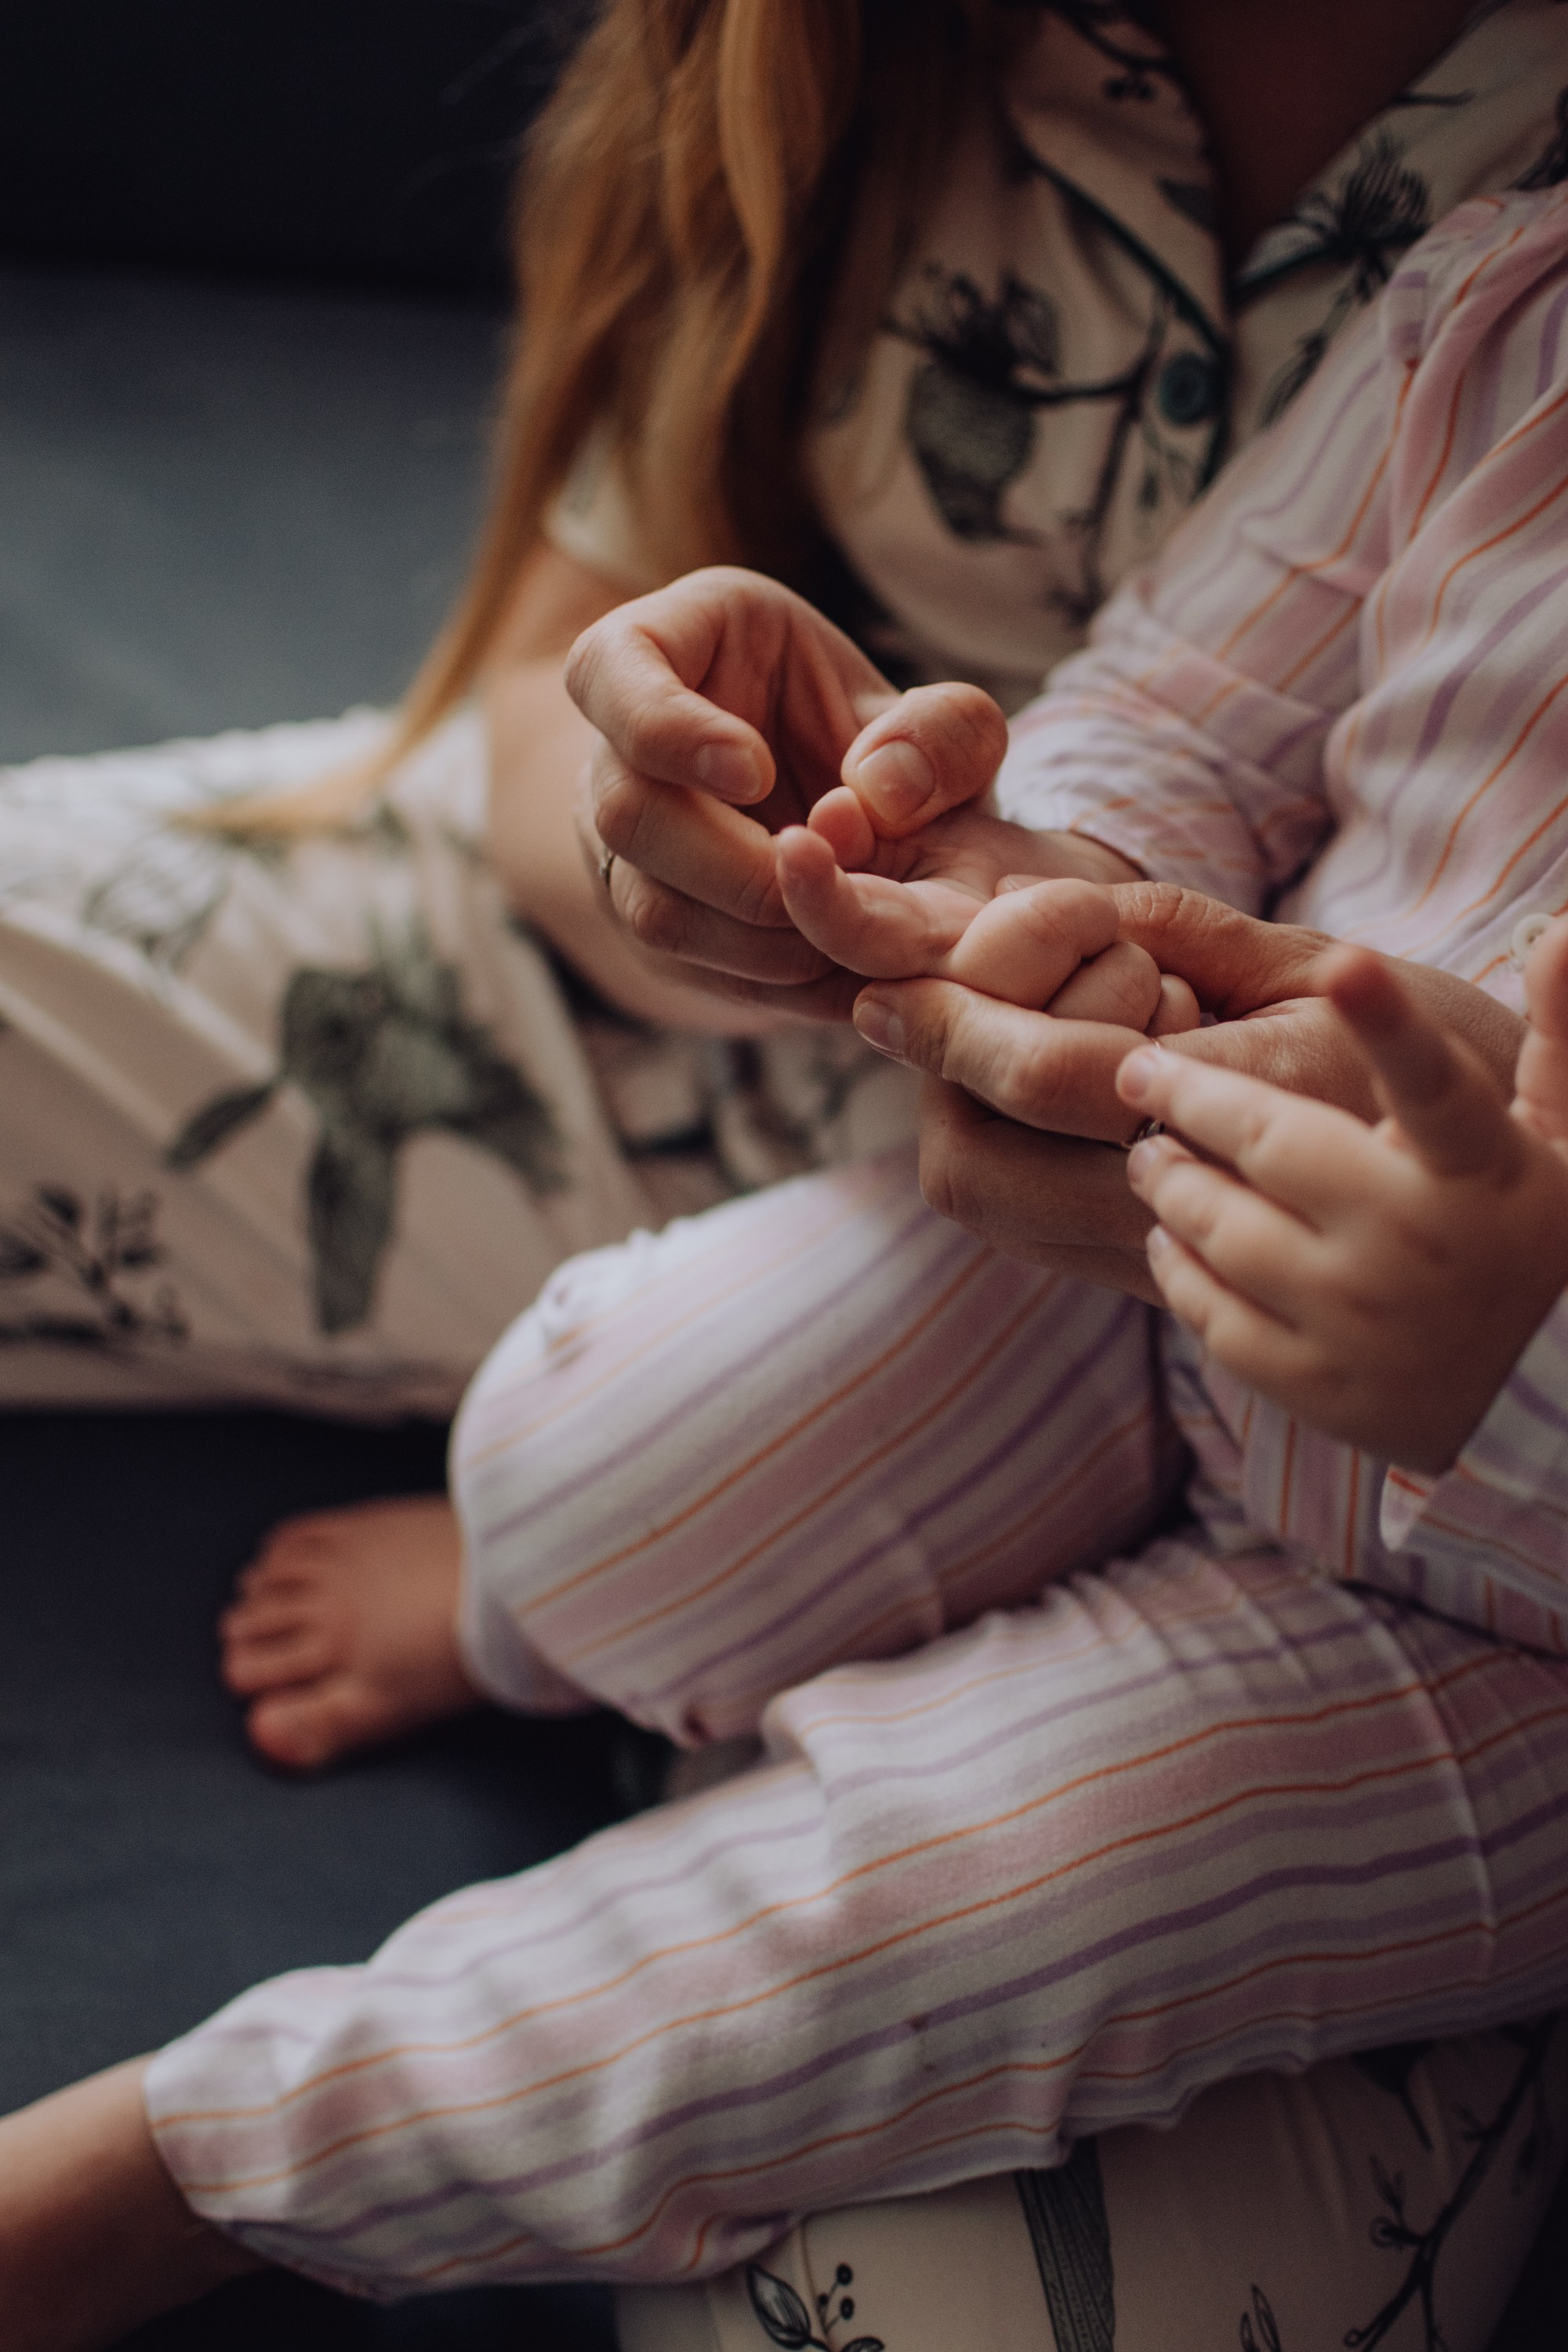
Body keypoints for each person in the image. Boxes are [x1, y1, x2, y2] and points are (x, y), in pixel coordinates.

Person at [9, 177, 1568, 2352]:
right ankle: (536, 1620)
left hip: (1503, 1643)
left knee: (942, 1911)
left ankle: (187, 2165)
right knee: (588, 1457)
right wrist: (1044, 875)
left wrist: (1523, 1347)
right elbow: (1199, 705)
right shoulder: (1510, 293)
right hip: (1136, 1262)